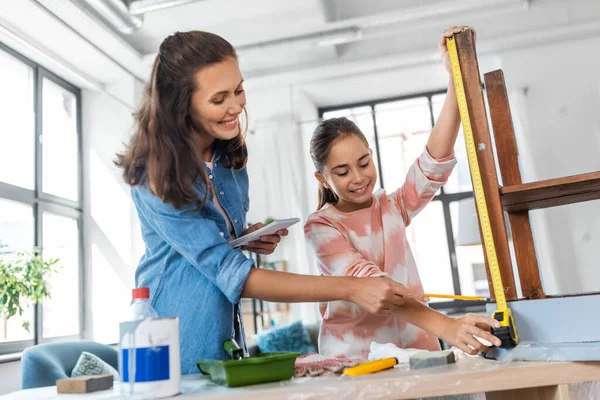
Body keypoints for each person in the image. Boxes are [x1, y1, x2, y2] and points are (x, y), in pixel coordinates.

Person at [115, 30, 422, 374]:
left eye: (239, 89)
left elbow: (213, 247)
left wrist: (245, 237)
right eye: (219, 99)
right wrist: (351, 288)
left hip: (225, 340)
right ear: (180, 104)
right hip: (168, 343)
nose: (236, 106)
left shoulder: (226, 158)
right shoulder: (153, 176)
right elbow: (233, 275)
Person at [304, 26, 502, 359]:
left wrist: (456, 76)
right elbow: (374, 287)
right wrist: (446, 327)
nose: (358, 177)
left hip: (417, 352)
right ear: (322, 179)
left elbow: (433, 162)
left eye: (364, 162)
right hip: (356, 361)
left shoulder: (391, 206)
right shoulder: (321, 227)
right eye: (342, 171)